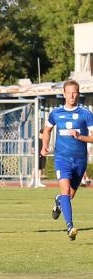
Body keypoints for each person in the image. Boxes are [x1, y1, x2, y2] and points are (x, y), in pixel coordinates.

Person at [41, 79, 93, 240]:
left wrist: (80, 136)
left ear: (78, 94)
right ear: (63, 94)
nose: (72, 95)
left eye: (75, 92)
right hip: (62, 158)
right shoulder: (55, 113)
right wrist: (45, 145)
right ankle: (70, 227)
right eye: (69, 92)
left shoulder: (86, 114)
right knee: (65, 191)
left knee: (69, 195)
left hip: (80, 160)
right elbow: (47, 130)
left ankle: (58, 201)